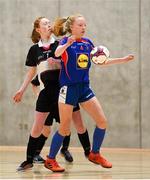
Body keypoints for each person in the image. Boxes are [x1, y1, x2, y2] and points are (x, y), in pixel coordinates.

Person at [44, 14, 134, 172]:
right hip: (68, 89)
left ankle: (95, 153)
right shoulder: (65, 42)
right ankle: (50, 159)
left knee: (102, 122)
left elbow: (100, 61)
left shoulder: (88, 43)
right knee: (64, 129)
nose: (84, 28)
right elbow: (57, 54)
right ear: (71, 27)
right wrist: (67, 44)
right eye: (80, 25)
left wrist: (122, 59)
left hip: (84, 88)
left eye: (85, 25)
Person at [13, 17, 91, 171]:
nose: (48, 25)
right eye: (44, 24)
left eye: (49, 23)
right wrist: (21, 90)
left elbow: (72, 62)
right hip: (46, 92)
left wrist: (60, 63)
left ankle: (87, 152)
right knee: (37, 127)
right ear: (38, 29)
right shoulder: (35, 49)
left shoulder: (60, 43)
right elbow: (31, 72)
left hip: (64, 90)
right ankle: (29, 160)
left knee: (72, 125)